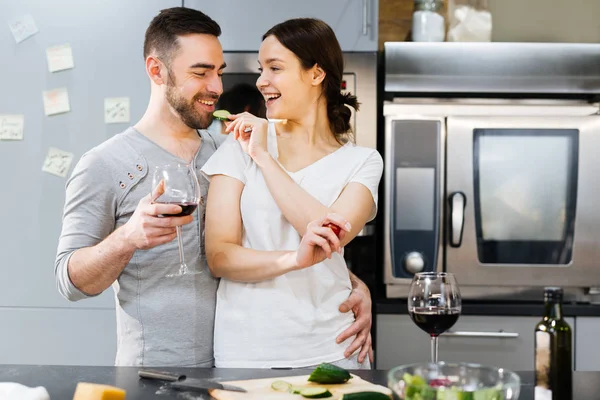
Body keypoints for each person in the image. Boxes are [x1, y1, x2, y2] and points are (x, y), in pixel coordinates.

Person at [54, 7, 374, 367]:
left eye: (218, 72)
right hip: (156, 369)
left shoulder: (225, 150)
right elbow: (70, 280)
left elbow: (268, 236)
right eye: (201, 73)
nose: (217, 88)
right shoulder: (105, 163)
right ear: (156, 70)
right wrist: (128, 237)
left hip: (232, 360)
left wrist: (352, 284)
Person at [201, 18, 383, 368]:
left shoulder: (362, 162)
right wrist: (292, 260)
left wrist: (265, 158)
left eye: (275, 68)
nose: (261, 80)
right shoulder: (237, 146)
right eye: (260, 68)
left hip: (334, 348)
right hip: (247, 349)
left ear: (316, 74)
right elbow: (219, 256)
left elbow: (330, 235)